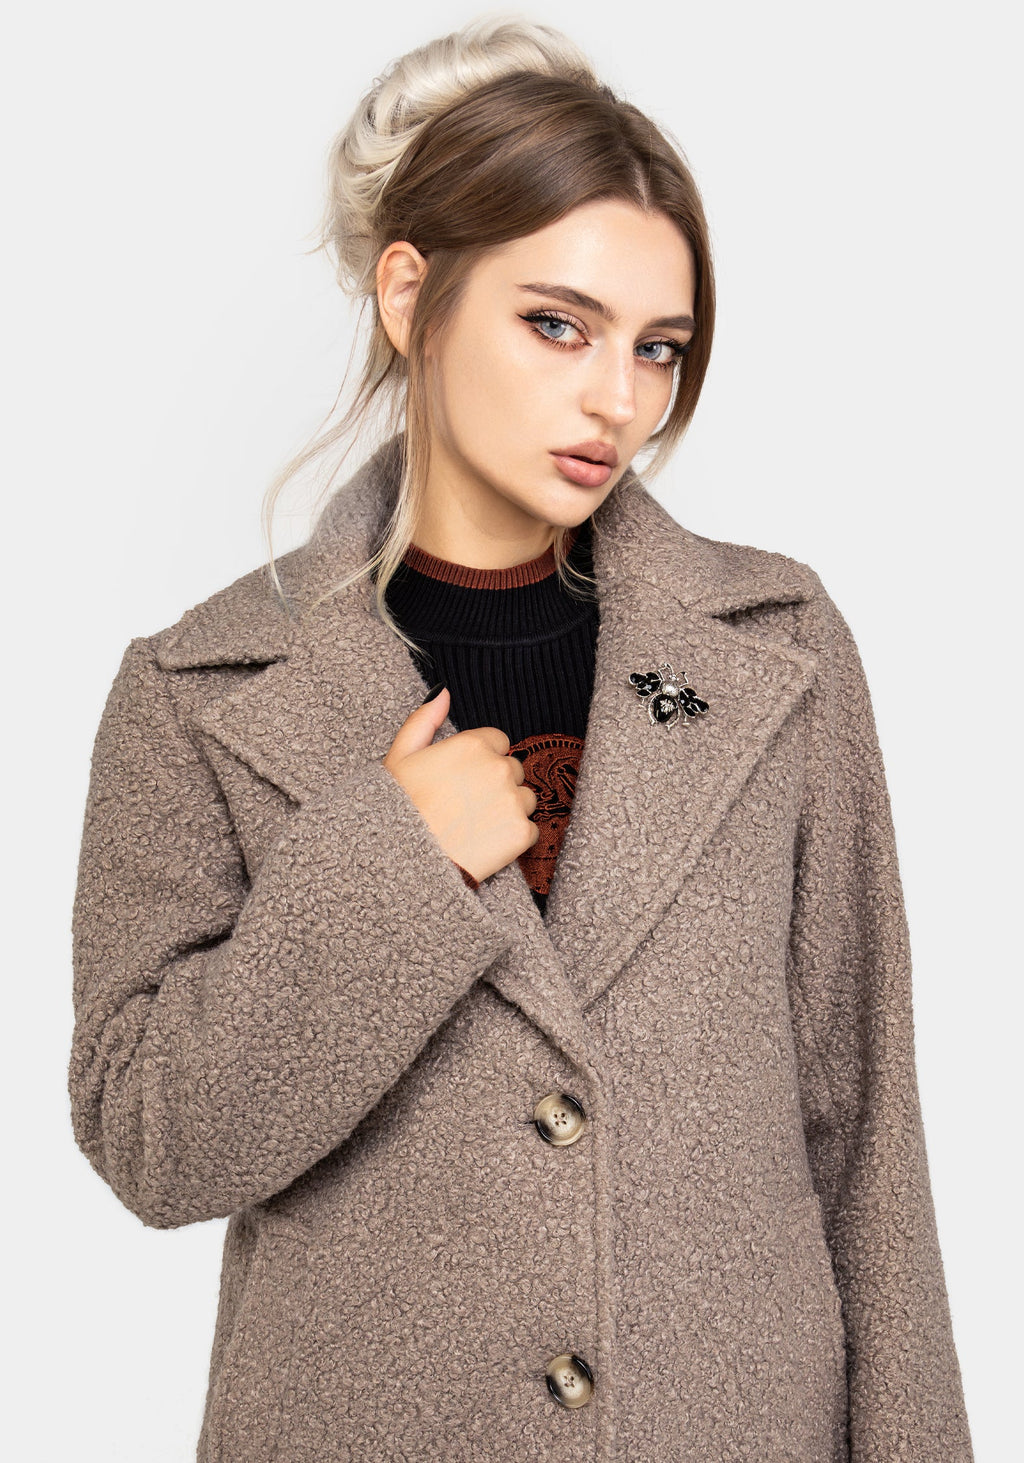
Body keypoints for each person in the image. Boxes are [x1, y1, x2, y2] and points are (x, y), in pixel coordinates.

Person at [67, 15, 974, 1462]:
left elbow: (867, 1138)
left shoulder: (780, 651)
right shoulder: (200, 692)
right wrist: (392, 870)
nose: (619, 400)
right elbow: (151, 1145)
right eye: (558, 324)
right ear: (409, 294)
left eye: (658, 349)